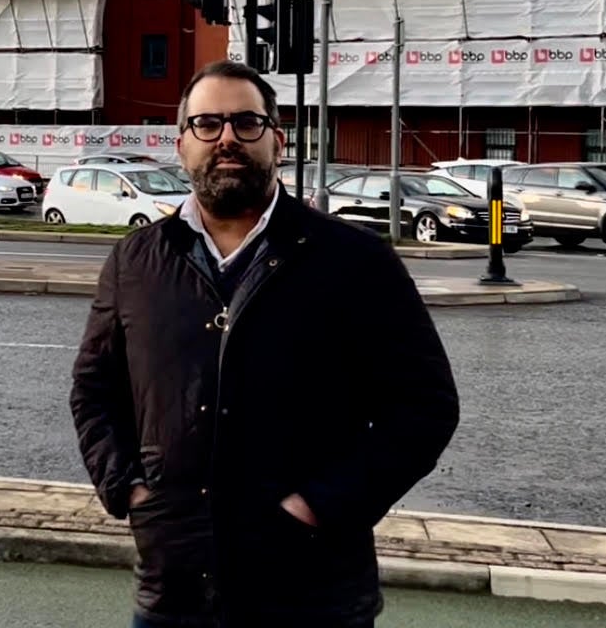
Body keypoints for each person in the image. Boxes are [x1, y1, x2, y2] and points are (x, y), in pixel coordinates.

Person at [71, 60, 459, 628]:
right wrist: (125, 487)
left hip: (313, 597)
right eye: (206, 124)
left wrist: (319, 506)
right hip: (174, 593)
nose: (226, 138)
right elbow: (94, 389)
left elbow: (425, 407)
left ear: (277, 141)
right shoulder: (135, 261)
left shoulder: (355, 261)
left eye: (246, 123)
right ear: (181, 145)